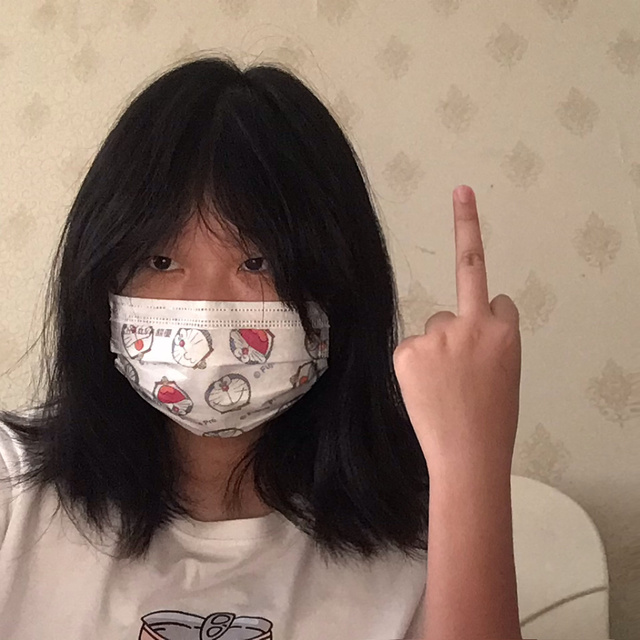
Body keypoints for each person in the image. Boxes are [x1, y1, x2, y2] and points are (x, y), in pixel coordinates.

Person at [0, 56, 523, 640]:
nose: (205, 310)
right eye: (161, 261)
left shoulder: (424, 530)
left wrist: (471, 462)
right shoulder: (11, 488)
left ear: (340, 283)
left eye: (257, 262)